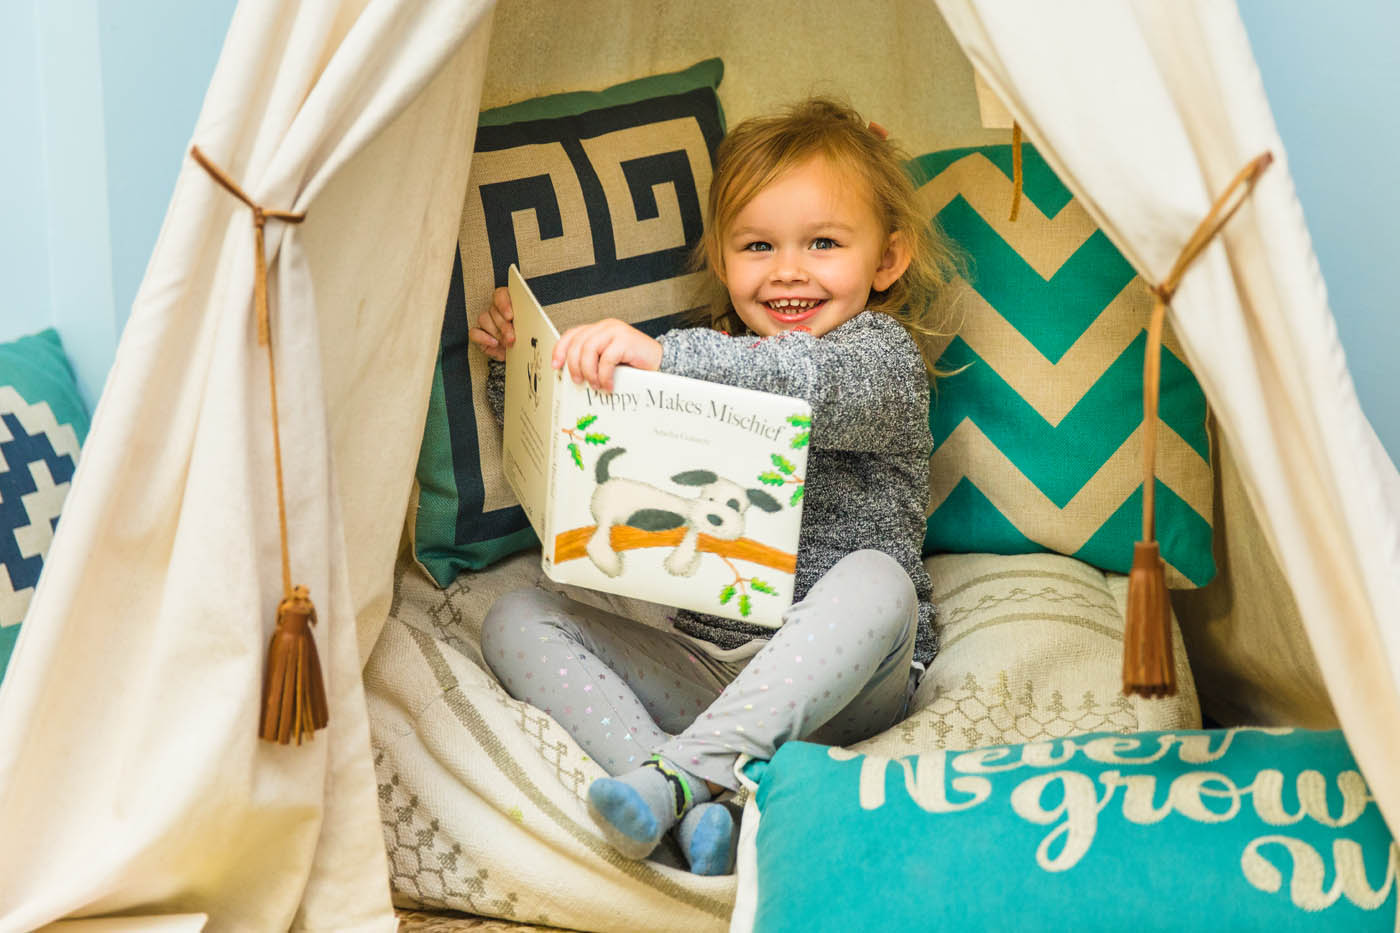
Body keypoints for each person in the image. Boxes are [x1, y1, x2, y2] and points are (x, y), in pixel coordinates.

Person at [469, 98, 955, 875]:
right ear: (725, 262)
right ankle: (689, 801)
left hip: (848, 685)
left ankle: (681, 776)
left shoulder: (880, 358)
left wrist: (663, 359)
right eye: (758, 245)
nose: (789, 269)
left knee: (879, 580)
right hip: (708, 669)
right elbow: (591, 444)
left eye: (824, 244)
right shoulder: (713, 350)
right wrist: (516, 364)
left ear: (886, 261)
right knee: (517, 615)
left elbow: (799, 383)